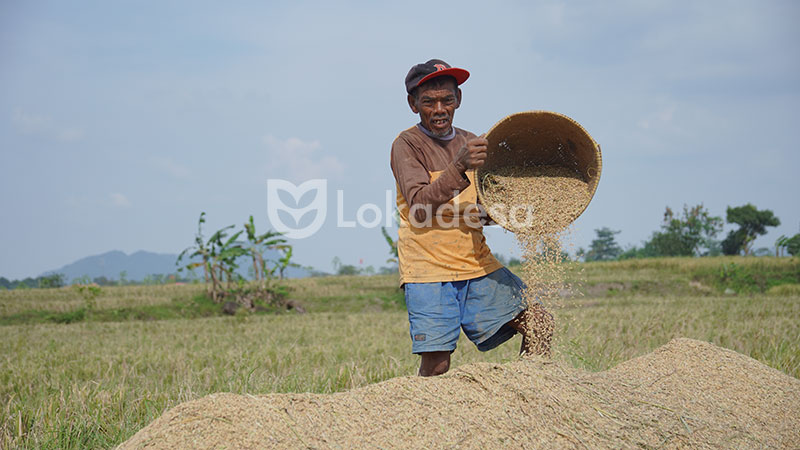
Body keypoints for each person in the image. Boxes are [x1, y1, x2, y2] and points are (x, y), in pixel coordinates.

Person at [390, 59, 553, 377]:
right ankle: (426, 421)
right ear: (413, 105)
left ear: (458, 100)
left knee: (539, 323)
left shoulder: (473, 143)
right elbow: (420, 205)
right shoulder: (407, 145)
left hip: (476, 264)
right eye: (429, 102)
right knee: (437, 363)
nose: (439, 109)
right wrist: (459, 166)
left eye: (447, 100)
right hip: (428, 268)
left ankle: (529, 397)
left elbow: (484, 205)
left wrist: (511, 213)